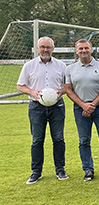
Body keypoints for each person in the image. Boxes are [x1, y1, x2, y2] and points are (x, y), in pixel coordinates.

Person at [17, 37, 68, 184]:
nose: (46, 50)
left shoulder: (61, 65)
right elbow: (21, 85)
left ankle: (60, 169)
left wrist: (62, 91)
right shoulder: (29, 66)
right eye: (43, 47)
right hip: (36, 107)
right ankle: (36, 172)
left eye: (49, 47)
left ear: (53, 49)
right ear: (37, 48)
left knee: (58, 139)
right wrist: (32, 92)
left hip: (57, 107)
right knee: (37, 140)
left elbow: (68, 85)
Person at [64, 39, 99, 181]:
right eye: (80, 49)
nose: (83, 51)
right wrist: (83, 105)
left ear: (92, 49)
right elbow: (68, 90)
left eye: (86, 48)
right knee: (84, 140)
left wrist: (92, 105)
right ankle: (88, 169)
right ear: (76, 51)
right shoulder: (70, 69)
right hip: (80, 109)